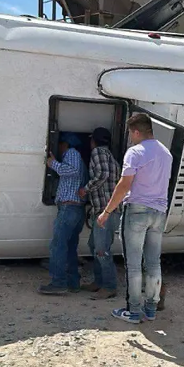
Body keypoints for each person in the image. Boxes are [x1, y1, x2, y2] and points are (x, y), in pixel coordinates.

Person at [97, 113, 173, 324]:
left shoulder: (135, 152)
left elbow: (124, 185)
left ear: (137, 131)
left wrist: (107, 211)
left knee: (133, 265)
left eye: (131, 133)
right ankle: (151, 309)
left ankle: (133, 310)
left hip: (138, 210)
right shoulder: (166, 153)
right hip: (159, 212)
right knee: (153, 263)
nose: (130, 137)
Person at [39, 133, 87, 295]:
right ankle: (73, 283)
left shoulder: (71, 153)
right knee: (70, 247)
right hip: (75, 209)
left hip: (68, 208)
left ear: (65, 144)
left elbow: (72, 171)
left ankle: (58, 282)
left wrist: (53, 164)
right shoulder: (79, 157)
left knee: (58, 246)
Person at [79, 127, 121, 300]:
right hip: (107, 211)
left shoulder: (97, 152)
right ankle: (98, 281)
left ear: (93, 141)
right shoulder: (111, 157)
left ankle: (109, 286)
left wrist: (85, 189)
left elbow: (102, 174)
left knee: (102, 250)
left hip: (106, 212)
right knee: (94, 246)